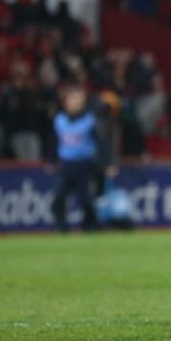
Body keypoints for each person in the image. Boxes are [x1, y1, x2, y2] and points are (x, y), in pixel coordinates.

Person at [50, 85, 103, 232]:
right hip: (66, 164)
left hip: (84, 164)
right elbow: (53, 141)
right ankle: (61, 226)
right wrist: (51, 160)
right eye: (72, 100)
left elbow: (100, 142)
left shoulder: (89, 120)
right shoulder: (59, 121)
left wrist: (103, 163)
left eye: (78, 100)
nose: (75, 103)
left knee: (85, 198)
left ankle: (91, 225)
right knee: (59, 196)